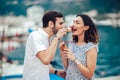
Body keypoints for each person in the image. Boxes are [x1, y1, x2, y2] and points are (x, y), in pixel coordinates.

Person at [23, 11, 67, 80]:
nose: (63, 26)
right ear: (51, 24)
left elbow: (40, 65)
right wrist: (57, 38)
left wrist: (57, 72)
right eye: (60, 23)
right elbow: (46, 60)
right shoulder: (35, 36)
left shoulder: (47, 39)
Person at [60, 14, 99, 80]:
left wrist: (74, 59)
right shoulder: (72, 43)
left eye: (77, 23)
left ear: (86, 27)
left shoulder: (91, 48)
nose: (73, 25)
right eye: (73, 22)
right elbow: (67, 67)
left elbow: (89, 75)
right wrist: (63, 51)